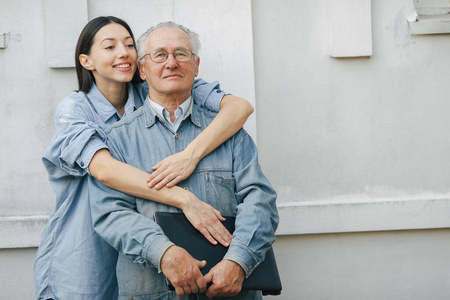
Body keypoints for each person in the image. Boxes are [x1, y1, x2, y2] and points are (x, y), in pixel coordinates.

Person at [34, 16, 254, 300]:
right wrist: (185, 199)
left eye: (128, 44)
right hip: (85, 248)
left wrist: (190, 155)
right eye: (110, 47)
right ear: (87, 61)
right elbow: (105, 170)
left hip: (142, 262)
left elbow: (239, 108)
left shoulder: (154, 84)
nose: (123, 52)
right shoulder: (74, 110)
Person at [89, 21, 279, 300]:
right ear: (142, 69)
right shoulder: (118, 139)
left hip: (229, 292)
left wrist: (238, 260)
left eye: (181, 53)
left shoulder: (230, 133)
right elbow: (110, 214)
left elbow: (260, 200)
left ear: (196, 66)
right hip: (151, 292)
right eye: (159, 55)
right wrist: (163, 252)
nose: (171, 63)